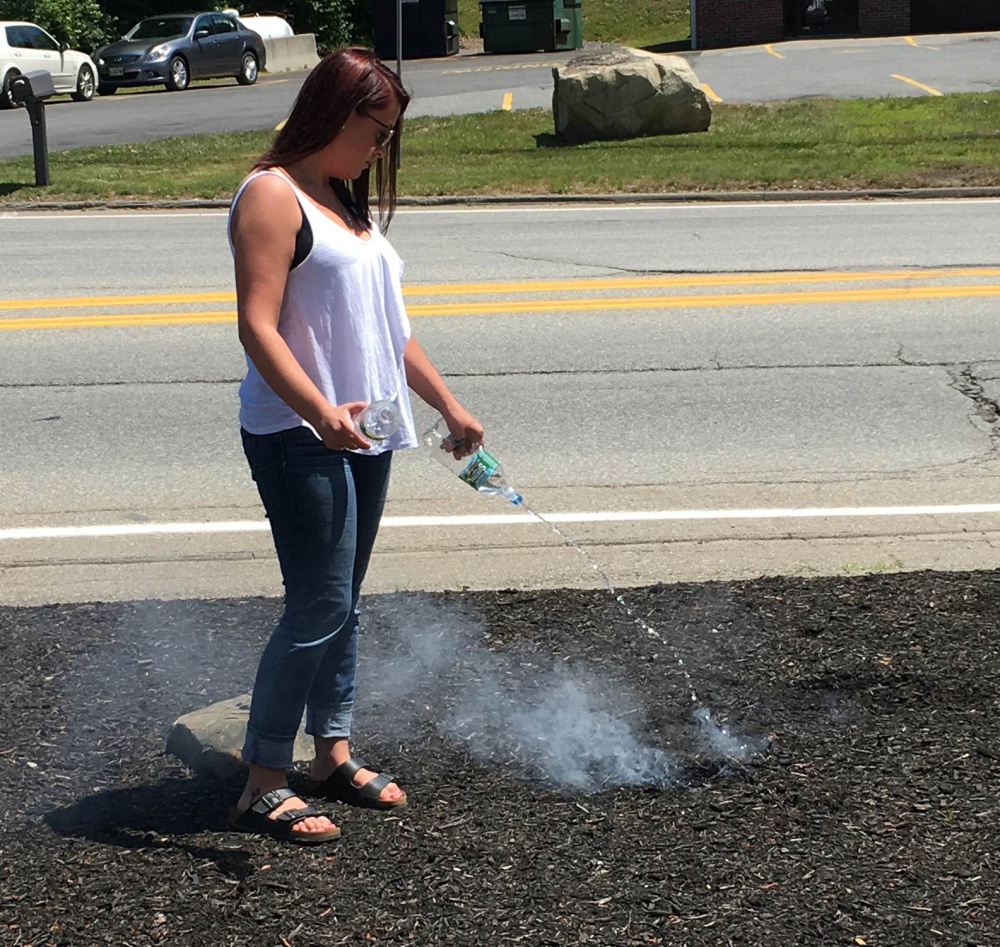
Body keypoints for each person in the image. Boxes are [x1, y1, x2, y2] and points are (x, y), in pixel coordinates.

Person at [226, 47, 484, 844]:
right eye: (378, 131)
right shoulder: (272, 196)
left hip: (364, 428)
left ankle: (330, 752)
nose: (382, 148)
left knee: (344, 602)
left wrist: (448, 405)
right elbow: (257, 325)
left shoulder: (342, 201)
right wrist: (316, 411)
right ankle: (263, 777)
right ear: (336, 113)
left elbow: (389, 332)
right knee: (317, 603)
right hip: (295, 431)